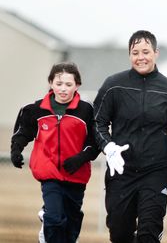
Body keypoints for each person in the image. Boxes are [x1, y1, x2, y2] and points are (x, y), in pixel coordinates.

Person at [93, 30, 167, 243]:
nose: (141, 57)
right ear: (129, 55)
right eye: (135, 52)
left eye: (146, 51)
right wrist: (108, 147)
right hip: (121, 171)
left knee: (148, 233)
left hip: (156, 171)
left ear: (156, 53)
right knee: (120, 234)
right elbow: (97, 122)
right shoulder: (113, 85)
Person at [10, 62, 100, 243]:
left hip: (76, 175)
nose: (63, 89)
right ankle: (48, 220)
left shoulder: (87, 110)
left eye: (68, 84)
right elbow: (22, 133)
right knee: (55, 218)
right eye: (59, 84)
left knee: (70, 228)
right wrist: (16, 150)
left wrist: (80, 158)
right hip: (49, 173)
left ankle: (52, 221)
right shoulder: (36, 109)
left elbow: (95, 143)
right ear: (51, 83)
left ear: (77, 85)